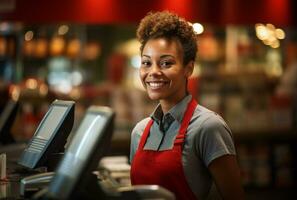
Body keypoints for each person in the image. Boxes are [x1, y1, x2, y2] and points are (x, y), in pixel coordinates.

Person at [129, 11, 245, 200]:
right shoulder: (139, 132)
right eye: (146, 63)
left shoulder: (208, 127)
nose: (154, 72)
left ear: (188, 69)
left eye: (166, 63)